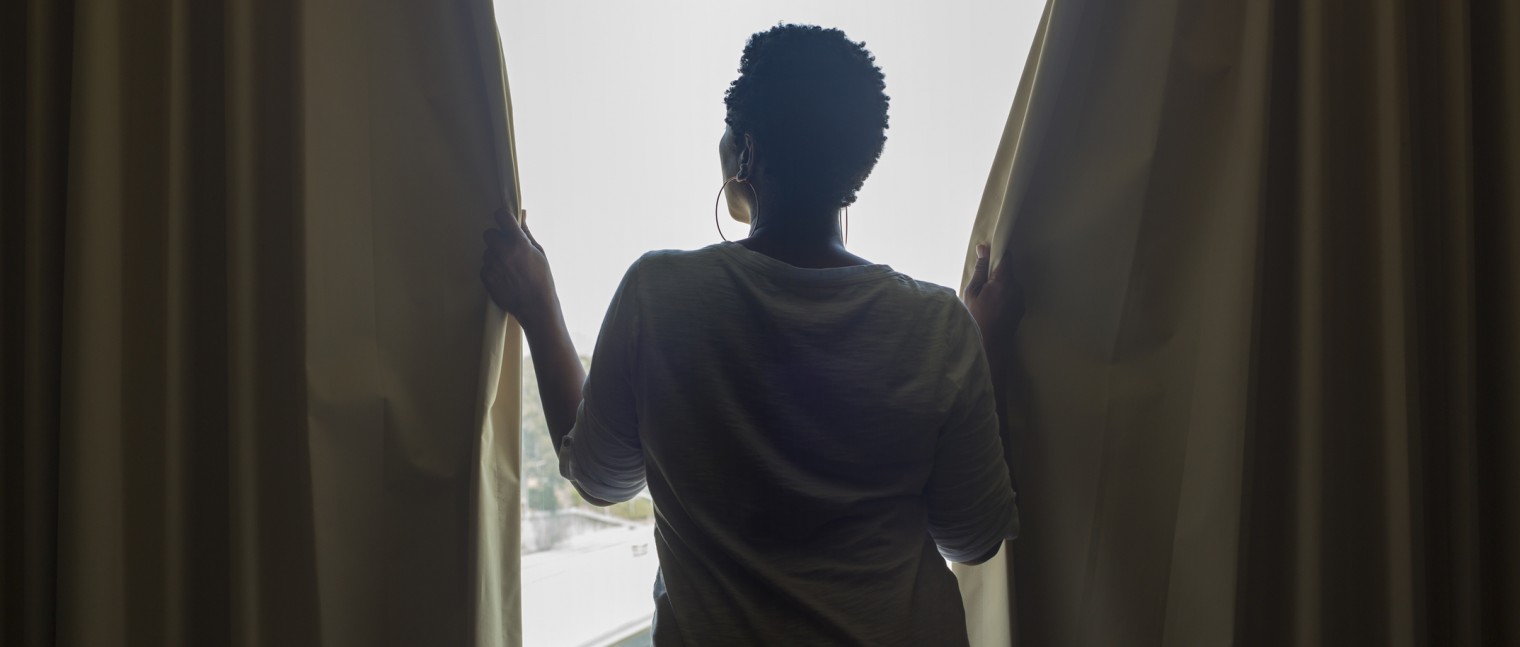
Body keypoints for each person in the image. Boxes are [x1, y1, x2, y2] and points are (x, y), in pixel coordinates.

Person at [480, 23, 1019, 647]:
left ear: (747, 152)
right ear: (857, 166)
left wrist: (539, 306)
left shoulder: (659, 295)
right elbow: (972, 538)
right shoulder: (940, 328)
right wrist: (983, 348)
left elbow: (601, 478)